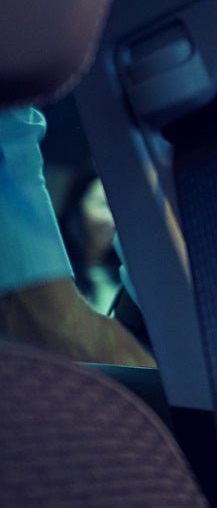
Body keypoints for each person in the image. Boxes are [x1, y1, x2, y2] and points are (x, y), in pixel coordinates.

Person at [0, 105, 153, 365]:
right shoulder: (65, 270)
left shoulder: (121, 280)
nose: (112, 221)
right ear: (79, 205)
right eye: (105, 206)